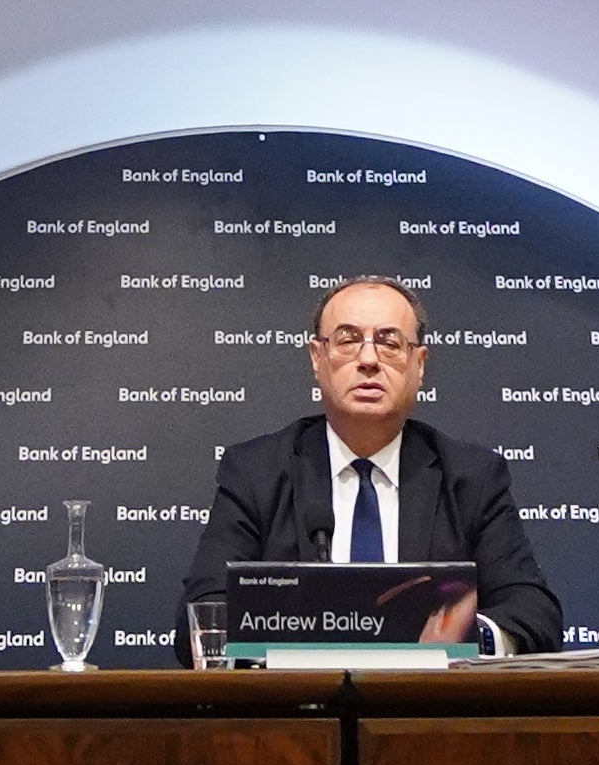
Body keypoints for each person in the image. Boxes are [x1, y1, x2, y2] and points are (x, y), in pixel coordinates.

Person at [187, 275, 561, 653]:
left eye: (389, 342)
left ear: (419, 364)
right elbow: (204, 617)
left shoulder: (471, 478)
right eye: (348, 340)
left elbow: (535, 614)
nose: (368, 360)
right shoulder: (257, 473)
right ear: (318, 358)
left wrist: (464, 637)